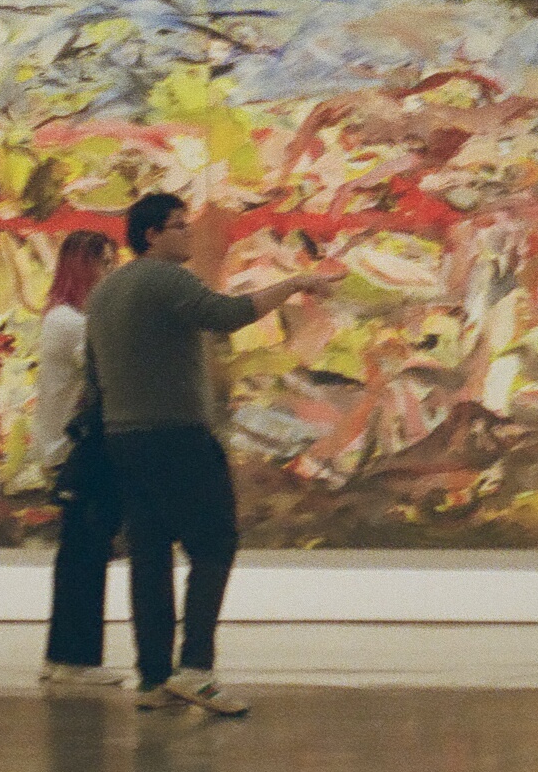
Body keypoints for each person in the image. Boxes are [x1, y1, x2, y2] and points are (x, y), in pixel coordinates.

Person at [87, 192, 341, 716]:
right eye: (179, 227)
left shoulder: (107, 290)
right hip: (176, 433)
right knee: (214, 543)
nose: (189, 235)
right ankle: (197, 670)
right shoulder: (167, 280)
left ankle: (154, 677)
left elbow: (95, 367)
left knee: (150, 554)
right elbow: (226, 315)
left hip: (124, 436)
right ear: (151, 234)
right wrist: (294, 282)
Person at [34, 230, 125, 686]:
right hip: (74, 451)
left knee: (81, 552)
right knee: (85, 554)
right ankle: (75, 659)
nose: (110, 272)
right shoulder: (71, 323)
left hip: (68, 449)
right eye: (103, 263)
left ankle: (65, 657)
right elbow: (109, 366)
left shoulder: (65, 318)